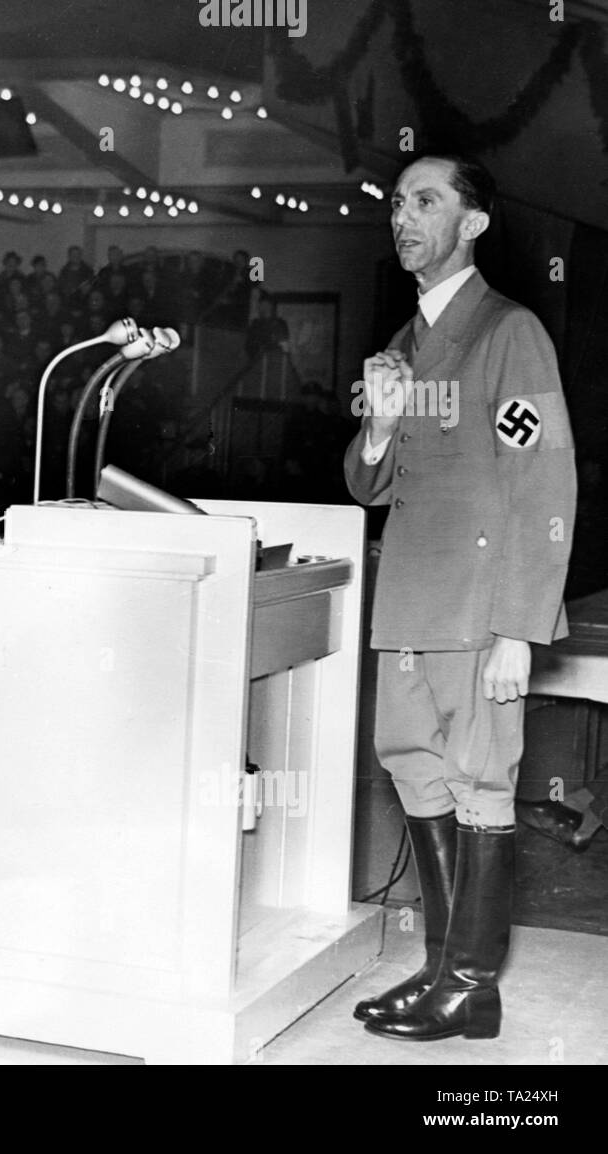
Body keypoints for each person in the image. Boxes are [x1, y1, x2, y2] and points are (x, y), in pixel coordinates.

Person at [345, 155, 577, 1042]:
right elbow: (369, 486)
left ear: (472, 224)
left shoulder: (508, 333)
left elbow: (544, 482)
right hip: (407, 605)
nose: (404, 217)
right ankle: (449, 975)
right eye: (398, 203)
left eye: (427, 201)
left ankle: (470, 978)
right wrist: (380, 423)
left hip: (477, 610)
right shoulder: (403, 346)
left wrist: (519, 629)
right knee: (412, 766)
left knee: (481, 784)